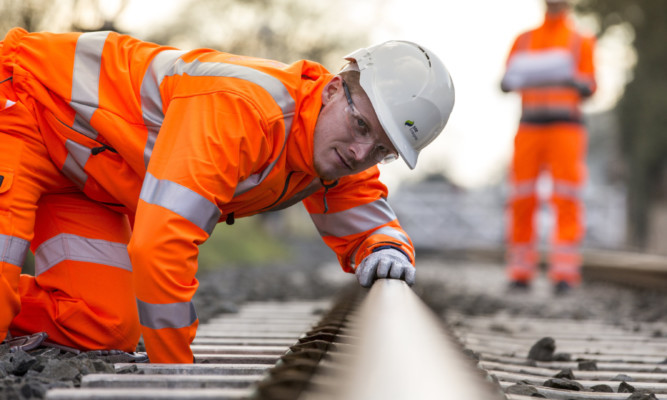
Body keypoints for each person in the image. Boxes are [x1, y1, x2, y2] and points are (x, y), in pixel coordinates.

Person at [0, 28, 455, 363]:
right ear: (334, 89)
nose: (361, 152)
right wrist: (173, 372)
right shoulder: (246, 110)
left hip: (87, 179)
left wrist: (387, 248)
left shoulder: (332, 152)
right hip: (26, 103)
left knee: (102, 323)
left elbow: (369, 219)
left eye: (383, 150)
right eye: (361, 127)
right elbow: (161, 244)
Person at [500, 0, 596, 294]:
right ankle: (520, 271)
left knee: (566, 197)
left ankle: (564, 273)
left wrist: (572, 80)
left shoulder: (581, 41)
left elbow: (591, 86)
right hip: (529, 128)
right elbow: (505, 82)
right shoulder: (524, 39)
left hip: (566, 128)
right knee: (522, 198)